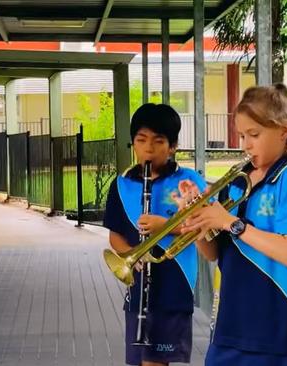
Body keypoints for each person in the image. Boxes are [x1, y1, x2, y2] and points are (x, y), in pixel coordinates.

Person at [183, 83, 287, 366]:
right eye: (243, 135)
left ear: (284, 132)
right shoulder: (235, 182)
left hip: (273, 329)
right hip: (229, 324)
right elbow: (213, 253)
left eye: (254, 135)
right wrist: (196, 222)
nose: (246, 145)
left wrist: (232, 223)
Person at [103, 103, 206, 366]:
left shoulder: (189, 181)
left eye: (158, 141)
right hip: (139, 288)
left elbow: (204, 226)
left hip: (175, 284)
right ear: (133, 144)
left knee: (155, 362)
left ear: (172, 146)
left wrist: (165, 226)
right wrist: (130, 255)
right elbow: (115, 235)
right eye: (141, 140)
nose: (148, 148)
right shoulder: (122, 184)